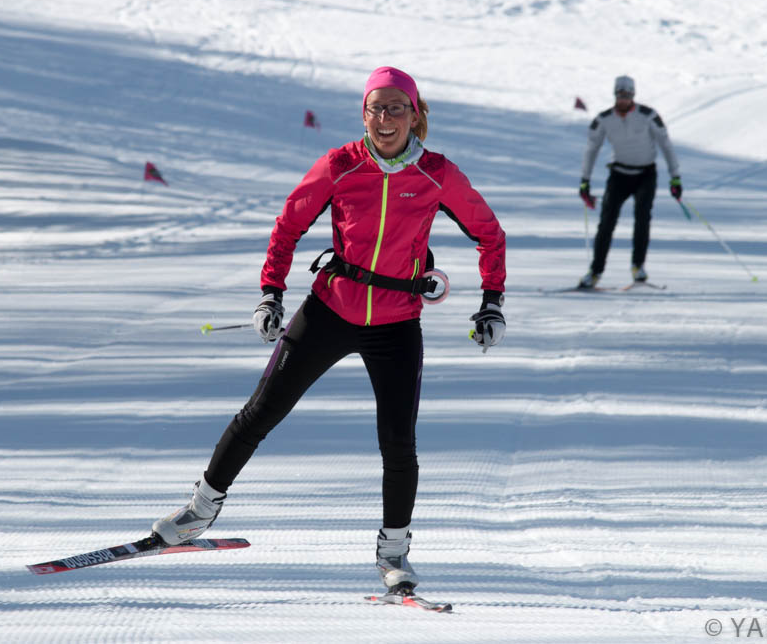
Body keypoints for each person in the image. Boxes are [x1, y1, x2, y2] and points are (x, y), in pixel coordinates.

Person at [151, 66, 507, 593]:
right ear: (364, 113)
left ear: (415, 114)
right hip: (330, 310)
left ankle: (393, 553)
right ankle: (199, 512)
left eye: (395, 108)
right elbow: (289, 223)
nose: (384, 119)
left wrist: (491, 303)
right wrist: (271, 293)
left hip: (396, 324)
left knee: (398, 444)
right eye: (375, 108)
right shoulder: (340, 165)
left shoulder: (437, 174)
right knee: (261, 411)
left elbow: (489, 234)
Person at [577, 75, 682, 288]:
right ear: (615, 95)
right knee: (606, 222)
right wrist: (585, 181)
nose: (623, 99)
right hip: (619, 175)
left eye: (627, 95)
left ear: (633, 96)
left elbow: (666, 145)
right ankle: (595, 272)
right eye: (620, 95)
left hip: (645, 174)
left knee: (642, 219)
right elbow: (591, 149)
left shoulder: (648, 115)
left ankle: (638, 267)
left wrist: (675, 176)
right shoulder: (604, 119)